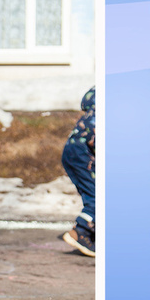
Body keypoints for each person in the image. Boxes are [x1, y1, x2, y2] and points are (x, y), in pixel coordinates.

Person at [61, 87, 96, 256]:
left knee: (92, 193)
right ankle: (80, 232)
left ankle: (93, 231)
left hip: (72, 152)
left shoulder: (91, 114)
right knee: (100, 195)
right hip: (83, 155)